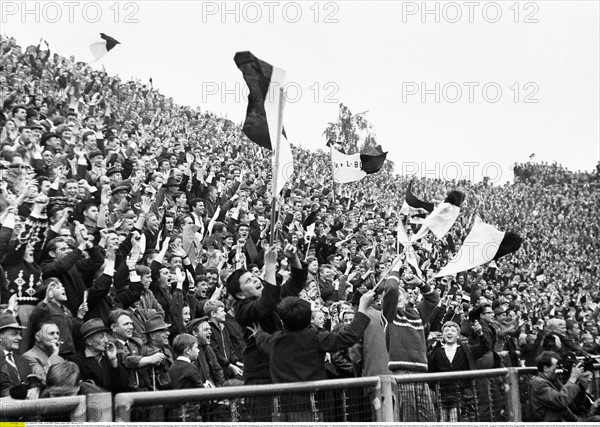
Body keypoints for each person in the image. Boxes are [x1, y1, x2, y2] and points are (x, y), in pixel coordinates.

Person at [249, 290, 374, 421]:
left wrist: (257, 333)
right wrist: (362, 308)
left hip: (282, 408)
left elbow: (263, 340)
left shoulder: (275, 341)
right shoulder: (316, 338)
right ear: (309, 318)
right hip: (311, 406)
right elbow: (349, 336)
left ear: (282, 320)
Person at [382, 262, 439, 422]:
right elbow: (392, 289)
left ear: (407, 298)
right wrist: (395, 269)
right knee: (408, 420)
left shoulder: (417, 313)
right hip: (402, 376)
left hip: (421, 376)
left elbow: (433, 298)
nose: (398, 297)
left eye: (402, 295)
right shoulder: (389, 316)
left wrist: (419, 282)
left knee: (430, 420)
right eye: (396, 297)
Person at [427, 320, 490, 422]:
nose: (449, 332)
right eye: (446, 330)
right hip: (441, 393)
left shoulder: (466, 350)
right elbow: (427, 361)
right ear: (442, 335)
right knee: (442, 419)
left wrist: (480, 334)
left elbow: (485, 348)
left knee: (454, 418)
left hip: (460, 393)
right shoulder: (436, 350)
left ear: (458, 335)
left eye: (453, 330)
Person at [529, 351, 600, 421]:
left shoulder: (554, 381)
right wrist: (573, 378)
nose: (558, 369)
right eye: (555, 367)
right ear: (546, 368)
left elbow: (574, 405)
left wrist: (581, 385)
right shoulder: (538, 384)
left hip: (566, 420)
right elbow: (560, 401)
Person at [70, 318, 128, 393]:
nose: (106, 340)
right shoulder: (76, 361)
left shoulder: (109, 358)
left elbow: (123, 386)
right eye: (101, 337)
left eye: (106, 336)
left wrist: (113, 360)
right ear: (89, 341)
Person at [0, 313, 36, 398]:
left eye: (19, 334)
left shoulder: (23, 361)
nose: (20, 338)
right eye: (14, 334)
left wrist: (34, 389)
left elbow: (32, 381)